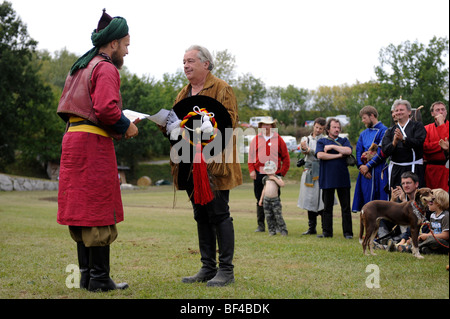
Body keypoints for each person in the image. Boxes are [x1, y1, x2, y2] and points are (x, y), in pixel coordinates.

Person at [56, 10, 138, 292]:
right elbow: (105, 108)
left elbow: (69, 108)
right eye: (126, 44)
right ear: (113, 43)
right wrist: (126, 125)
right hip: (92, 145)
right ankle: (100, 279)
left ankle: (87, 277)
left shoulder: (80, 66)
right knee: (98, 208)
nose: (127, 51)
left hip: (73, 141)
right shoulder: (105, 67)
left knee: (81, 208)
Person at [163, 45, 242, 287]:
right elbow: (175, 125)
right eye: (183, 61)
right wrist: (166, 124)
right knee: (201, 214)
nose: (185, 65)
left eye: (190, 61)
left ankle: (226, 270)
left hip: (213, 162)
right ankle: (208, 267)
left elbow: (230, 121)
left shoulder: (222, 88)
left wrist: (209, 128)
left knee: (219, 214)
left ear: (205, 64)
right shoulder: (183, 92)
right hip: (187, 161)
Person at [248, 119, 290, 233]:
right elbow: (251, 156)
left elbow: (286, 157)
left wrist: (282, 172)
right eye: (263, 124)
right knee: (259, 199)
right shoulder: (256, 139)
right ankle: (261, 225)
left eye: (268, 124)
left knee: (274, 198)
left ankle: (277, 225)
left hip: (274, 174)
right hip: (259, 173)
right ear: (260, 126)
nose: (266, 127)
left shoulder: (278, 139)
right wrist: (252, 170)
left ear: (272, 126)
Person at [316, 118, 353, 239]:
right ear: (328, 129)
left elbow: (348, 150)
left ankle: (348, 233)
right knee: (327, 207)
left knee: (346, 207)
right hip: (327, 178)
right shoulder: (321, 141)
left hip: (343, 178)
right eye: (334, 127)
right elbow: (320, 155)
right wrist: (338, 155)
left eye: (338, 127)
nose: (337, 129)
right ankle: (327, 232)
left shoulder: (344, 140)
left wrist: (332, 146)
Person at [381, 99, 427, 195]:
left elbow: (419, 142)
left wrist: (403, 139)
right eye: (396, 110)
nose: (399, 112)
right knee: (397, 199)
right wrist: (394, 143)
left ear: (409, 112)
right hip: (396, 170)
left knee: (414, 198)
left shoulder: (417, 126)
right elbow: (385, 151)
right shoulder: (390, 131)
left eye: (401, 110)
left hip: (413, 167)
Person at [352, 106, 388, 213]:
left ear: (372, 116)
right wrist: (361, 167)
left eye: (364, 118)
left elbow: (382, 152)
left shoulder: (384, 131)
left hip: (379, 171)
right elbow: (358, 150)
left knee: (380, 200)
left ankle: (382, 227)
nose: (363, 121)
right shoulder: (363, 134)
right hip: (365, 174)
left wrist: (368, 166)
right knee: (366, 201)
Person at [396, 188, 449, 254]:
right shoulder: (433, 215)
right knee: (420, 239)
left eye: (430, 202)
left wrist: (428, 236)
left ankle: (410, 248)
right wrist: (423, 236)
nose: (428, 204)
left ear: (438, 203)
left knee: (431, 240)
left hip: (444, 243)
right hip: (434, 242)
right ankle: (424, 250)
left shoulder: (445, 216)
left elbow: (446, 235)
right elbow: (432, 232)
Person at [297, 117, 326, 235]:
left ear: (324, 129)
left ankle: (325, 228)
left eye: (321, 128)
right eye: (317, 127)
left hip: (321, 171)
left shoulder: (324, 140)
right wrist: (304, 149)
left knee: (322, 200)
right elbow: (304, 152)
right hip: (309, 171)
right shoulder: (306, 139)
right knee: (310, 199)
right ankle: (311, 227)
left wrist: (311, 150)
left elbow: (321, 154)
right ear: (313, 126)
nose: (318, 130)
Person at [381, 172, 421, 250]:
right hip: (401, 228)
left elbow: (414, 216)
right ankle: (385, 240)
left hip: (414, 229)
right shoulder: (400, 196)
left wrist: (403, 201)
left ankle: (390, 243)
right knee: (381, 219)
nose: (405, 186)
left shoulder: (421, 196)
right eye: (403, 183)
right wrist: (392, 201)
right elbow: (388, 215)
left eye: (408, 183)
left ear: (416, 184)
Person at [423, 101, 449, 191]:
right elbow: (425, 147)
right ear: (432, 113)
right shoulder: (426, 128)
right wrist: (440, 145)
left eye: (443, 109)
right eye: (437, 110)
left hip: (446, 169)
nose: (441, 112)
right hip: (431, 170)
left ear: (446, 112)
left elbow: (446, 141)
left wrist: (442, 124)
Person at [258, 161, 288, 236]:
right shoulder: (265, 179)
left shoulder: (277, 178)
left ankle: (283, 230)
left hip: (275, 200)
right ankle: (271, 230)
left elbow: (282, 184)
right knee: (268, 216)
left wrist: (274, 179)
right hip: (266, 200)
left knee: (278, 216)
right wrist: (261, 199)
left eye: (270, 170)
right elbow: (264, 189)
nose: (269, 173)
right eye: (267, 171)